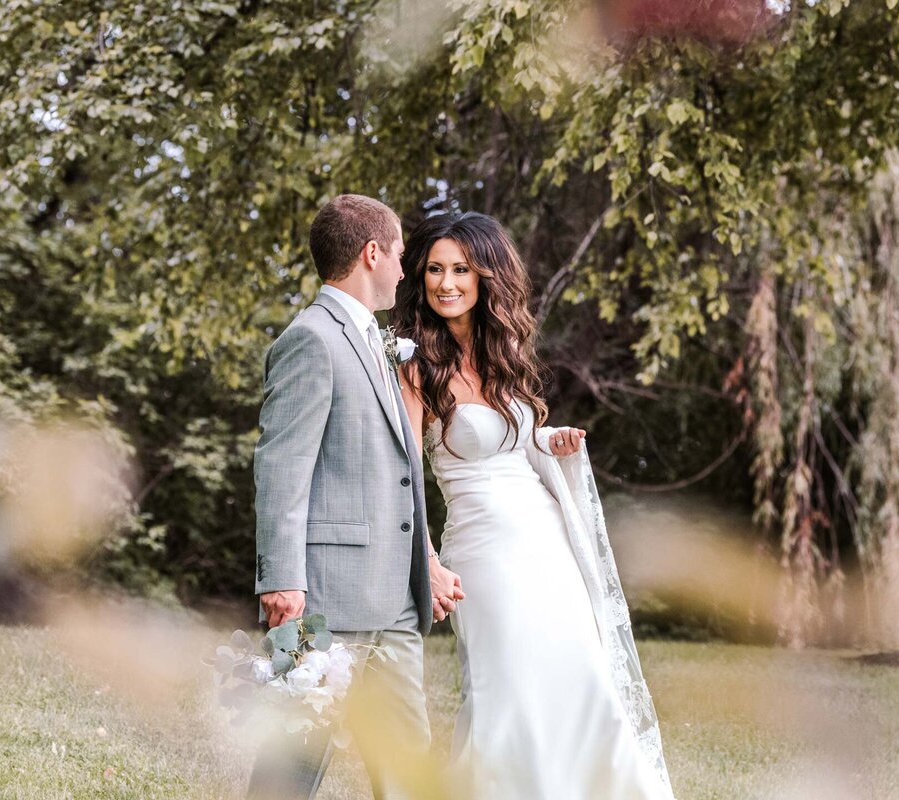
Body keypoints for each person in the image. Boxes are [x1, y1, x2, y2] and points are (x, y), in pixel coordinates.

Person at [392, 211, 674, 800]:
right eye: (434, 270)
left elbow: (512, 444)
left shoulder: (503, 355)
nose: (446, 283)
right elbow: (404, 472)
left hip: (546, 541)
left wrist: (554, 440)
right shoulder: (415, 367)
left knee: (580, 676)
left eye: (461, 269)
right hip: (483, 549)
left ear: (486, 275)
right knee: (508, 691)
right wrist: (426, 560)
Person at [249, 194, 464, 800]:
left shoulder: (376, 340)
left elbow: (396, 473)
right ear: (372, 253)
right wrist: (281, 578)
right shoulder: (311, 339)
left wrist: (423, 560)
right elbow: (282, 465)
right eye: (399, 255)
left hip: (394, 600)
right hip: (322, 598)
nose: (404, 269)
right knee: (290, 768)